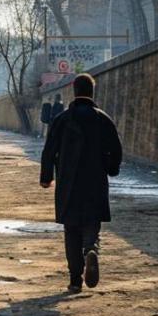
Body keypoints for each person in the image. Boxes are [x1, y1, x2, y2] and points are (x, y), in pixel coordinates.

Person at [40, 73, 123, 294]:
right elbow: (116, 149)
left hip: (69, 183)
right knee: (91, 224)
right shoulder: (103, 119)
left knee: (71, 229)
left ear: (74, 92)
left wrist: (46, 177)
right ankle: (91, 250)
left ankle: (75, 279)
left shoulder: (62, 120)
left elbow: (49, 150)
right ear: (92, 92)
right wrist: (111, 169)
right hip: (95, 182)